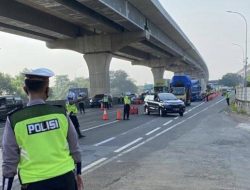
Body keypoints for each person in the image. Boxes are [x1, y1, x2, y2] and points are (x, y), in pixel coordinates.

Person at [2, 68, 84, 190]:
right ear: (47, 90)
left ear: (25, 90)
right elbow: (75, 147)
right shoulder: (60, 113)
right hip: (65, 178)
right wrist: (78, 173)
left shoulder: (15, 119)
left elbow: (9, 159)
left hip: (34, 182)